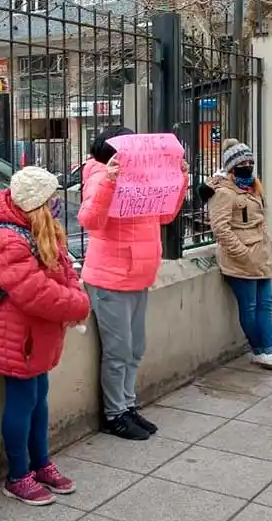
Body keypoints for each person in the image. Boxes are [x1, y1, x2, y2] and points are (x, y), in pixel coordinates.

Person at [0, 166, 91, 506]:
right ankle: (18, 474)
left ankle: (41, 464)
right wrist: (77, 304)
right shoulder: (8, 237)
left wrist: (75, 297)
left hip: (37, 333)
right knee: (22, 401)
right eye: (51, 198)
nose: (57, 203)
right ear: (37, 203)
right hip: (16, 336)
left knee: (39, 400)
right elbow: (33, 291)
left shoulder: (40, 230)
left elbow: (65, 269)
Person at [77, 126, 188, 441]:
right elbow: (90, 221)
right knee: (119, 350)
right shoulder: (101, 177)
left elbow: (165, 216)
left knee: (135, 348)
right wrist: (111, 181)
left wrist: (179, 180)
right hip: (110, 278)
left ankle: (127, 405)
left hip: (138, 275)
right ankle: (114, 415)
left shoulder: (142, 178)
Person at [200, 139, 272, 372]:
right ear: (232, 166)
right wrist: (242, 253)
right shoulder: (223, 192)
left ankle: (270, 350)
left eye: (250, 160)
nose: (248, 165)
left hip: (261, 256)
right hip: (241, 261)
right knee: (250, 307)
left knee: (266, 304)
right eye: (243, 162)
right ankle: (262, 351)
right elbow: (221, 228)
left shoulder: (253, 186)